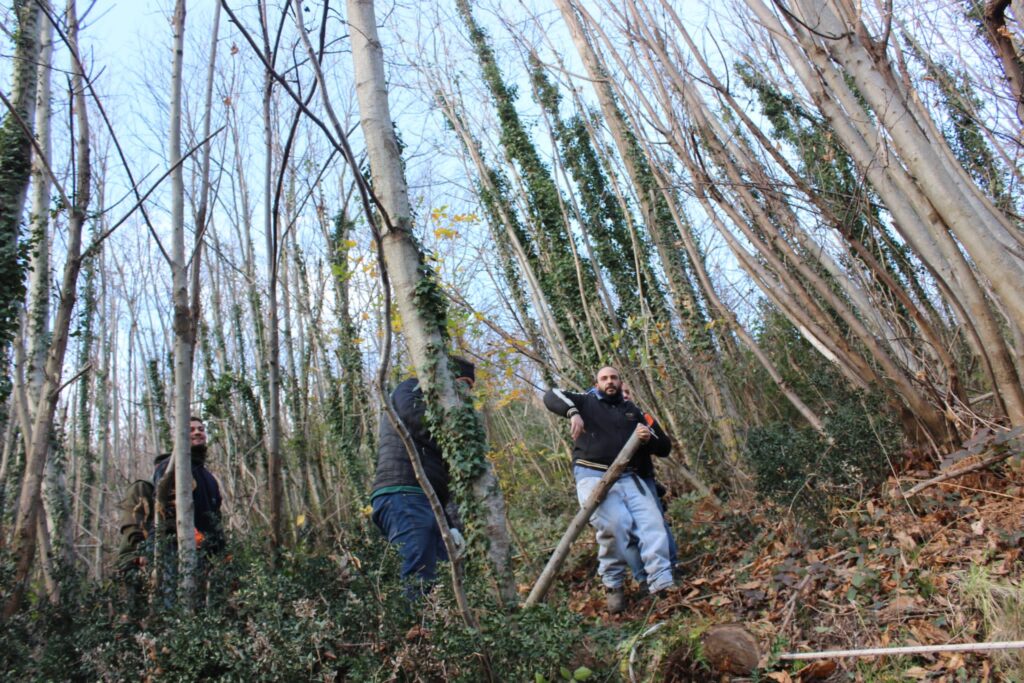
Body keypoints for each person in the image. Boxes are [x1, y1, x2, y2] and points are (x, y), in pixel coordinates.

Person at [545, 366, 674, 614]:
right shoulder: (585, 401)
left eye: (614, 377)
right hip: (592, 475)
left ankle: (662, 584)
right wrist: (573, 413)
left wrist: (648, 438)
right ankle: (613, 583)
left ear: (620, 381)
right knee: (617, 525)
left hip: (628, 475)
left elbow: (663, 447)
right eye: (604, 378)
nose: (610, 382)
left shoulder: (632, 411)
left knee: (653, 523)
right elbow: (551, 395)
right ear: (597, 382)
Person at [370, 357, 473, 599]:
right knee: (420, 571)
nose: (464, 393)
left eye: (469, 387)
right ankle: (417, 632)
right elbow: (412, 416)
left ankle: (437, 628)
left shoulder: (442, 420)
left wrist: (449, 525)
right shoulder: (410, 388)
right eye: (461, 383)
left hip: (424, 500)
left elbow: (436, 484)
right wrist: (455, 438)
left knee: (441, 572)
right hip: (402, 493)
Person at [116, 416, 225, 603]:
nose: (198, 432)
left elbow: (215, 518)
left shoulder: (208, 477)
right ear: (180, 436)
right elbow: (164, 509)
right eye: (191, 430)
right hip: (174, 550)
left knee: (203, 605)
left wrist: (221, 550)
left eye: (200, 429)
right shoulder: (171, 467)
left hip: (205, 554)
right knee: (174, 603)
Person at [619, 384, 678, 590]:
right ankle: (643, 578)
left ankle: (670, 569)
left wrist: (645, 438)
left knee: (657, 525)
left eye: (628, 391)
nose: (624, 395)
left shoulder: (642, 417)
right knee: (626, 533)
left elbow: (664, 447)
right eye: (621, 391)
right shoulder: (601, 418)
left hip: (643, 479)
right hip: (614, 485)